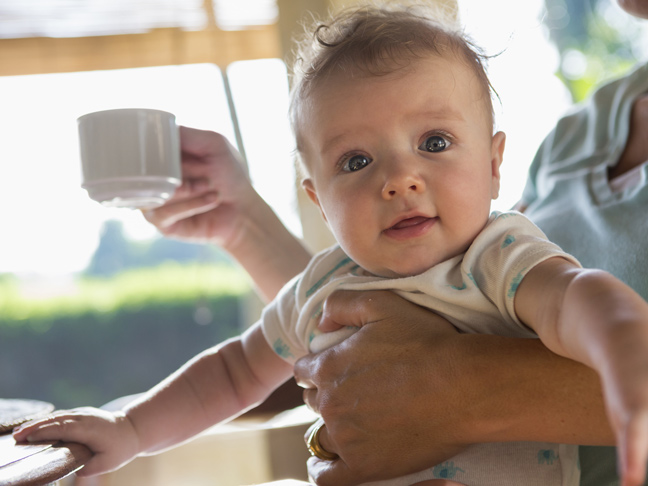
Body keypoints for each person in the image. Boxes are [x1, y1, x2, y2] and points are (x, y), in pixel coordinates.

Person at [12, 4, 648, 486]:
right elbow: (236, 371)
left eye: (433, 143)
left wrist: (624, 346)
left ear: (493, 165)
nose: (399, 179)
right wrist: (130, 428)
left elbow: (572, 298)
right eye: (357, 160)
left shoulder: (498, 254)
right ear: (317, 198)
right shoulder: (322, 285)